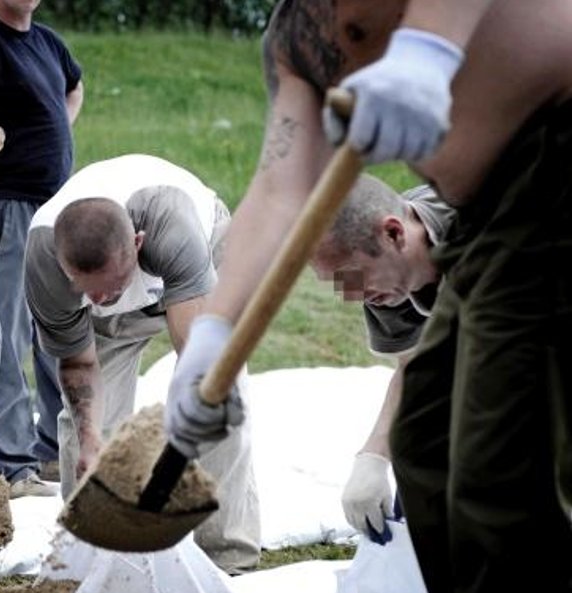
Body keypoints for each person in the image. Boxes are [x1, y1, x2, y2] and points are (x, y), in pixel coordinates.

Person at [165, 1, 572, 591]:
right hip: (486, 218)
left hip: (553, 159)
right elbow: (281, 185)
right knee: (425, 440)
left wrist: (426, 48)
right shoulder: (297, 39)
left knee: (494, 464)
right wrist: (212, 333)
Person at [24, 154, 261, 574]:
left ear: (137, 243)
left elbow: (199, 359)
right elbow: (79, 365)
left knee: (222, 397)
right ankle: (86, 558)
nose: (98, 300)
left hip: (201, 256)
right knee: (85, 438)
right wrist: (93, 437)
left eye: (109, 287)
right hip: (118, 299)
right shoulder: (45, 259)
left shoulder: (171, 225)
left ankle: (226, 559)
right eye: (86, 290)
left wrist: (173, 452)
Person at [0, 0, 84, 499]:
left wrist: (61, 126)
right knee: (7, 330)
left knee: (59, 327)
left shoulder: (47, 41)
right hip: (8, 208)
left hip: (54, 211)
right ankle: (10, 461)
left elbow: (74, 84)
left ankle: (50, 450)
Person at [310, 175, 454, 540]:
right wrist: (374, 458)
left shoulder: (489, 231)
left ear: (394, 234)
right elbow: (416, 369)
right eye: (337, 283)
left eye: (353, 278)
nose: (352, 296)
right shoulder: (389, 280)